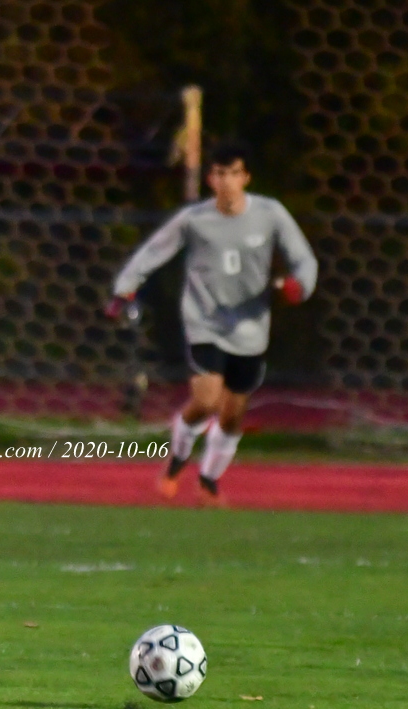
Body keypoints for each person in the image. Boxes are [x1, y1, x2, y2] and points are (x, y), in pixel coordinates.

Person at [107, 140, 317, 505]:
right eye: (220, 174)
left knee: (233, 415)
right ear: (210, 179)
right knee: (206, 400)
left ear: (246, 177)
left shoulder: (270, 214)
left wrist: (301, 286)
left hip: (250, 328)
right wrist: (124, 289)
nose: (227, 182)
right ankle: (177, 460)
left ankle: (208, 479)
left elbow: (304, 260)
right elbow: (154, 250)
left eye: (234, 173)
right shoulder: (195, 220)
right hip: (205, 321)